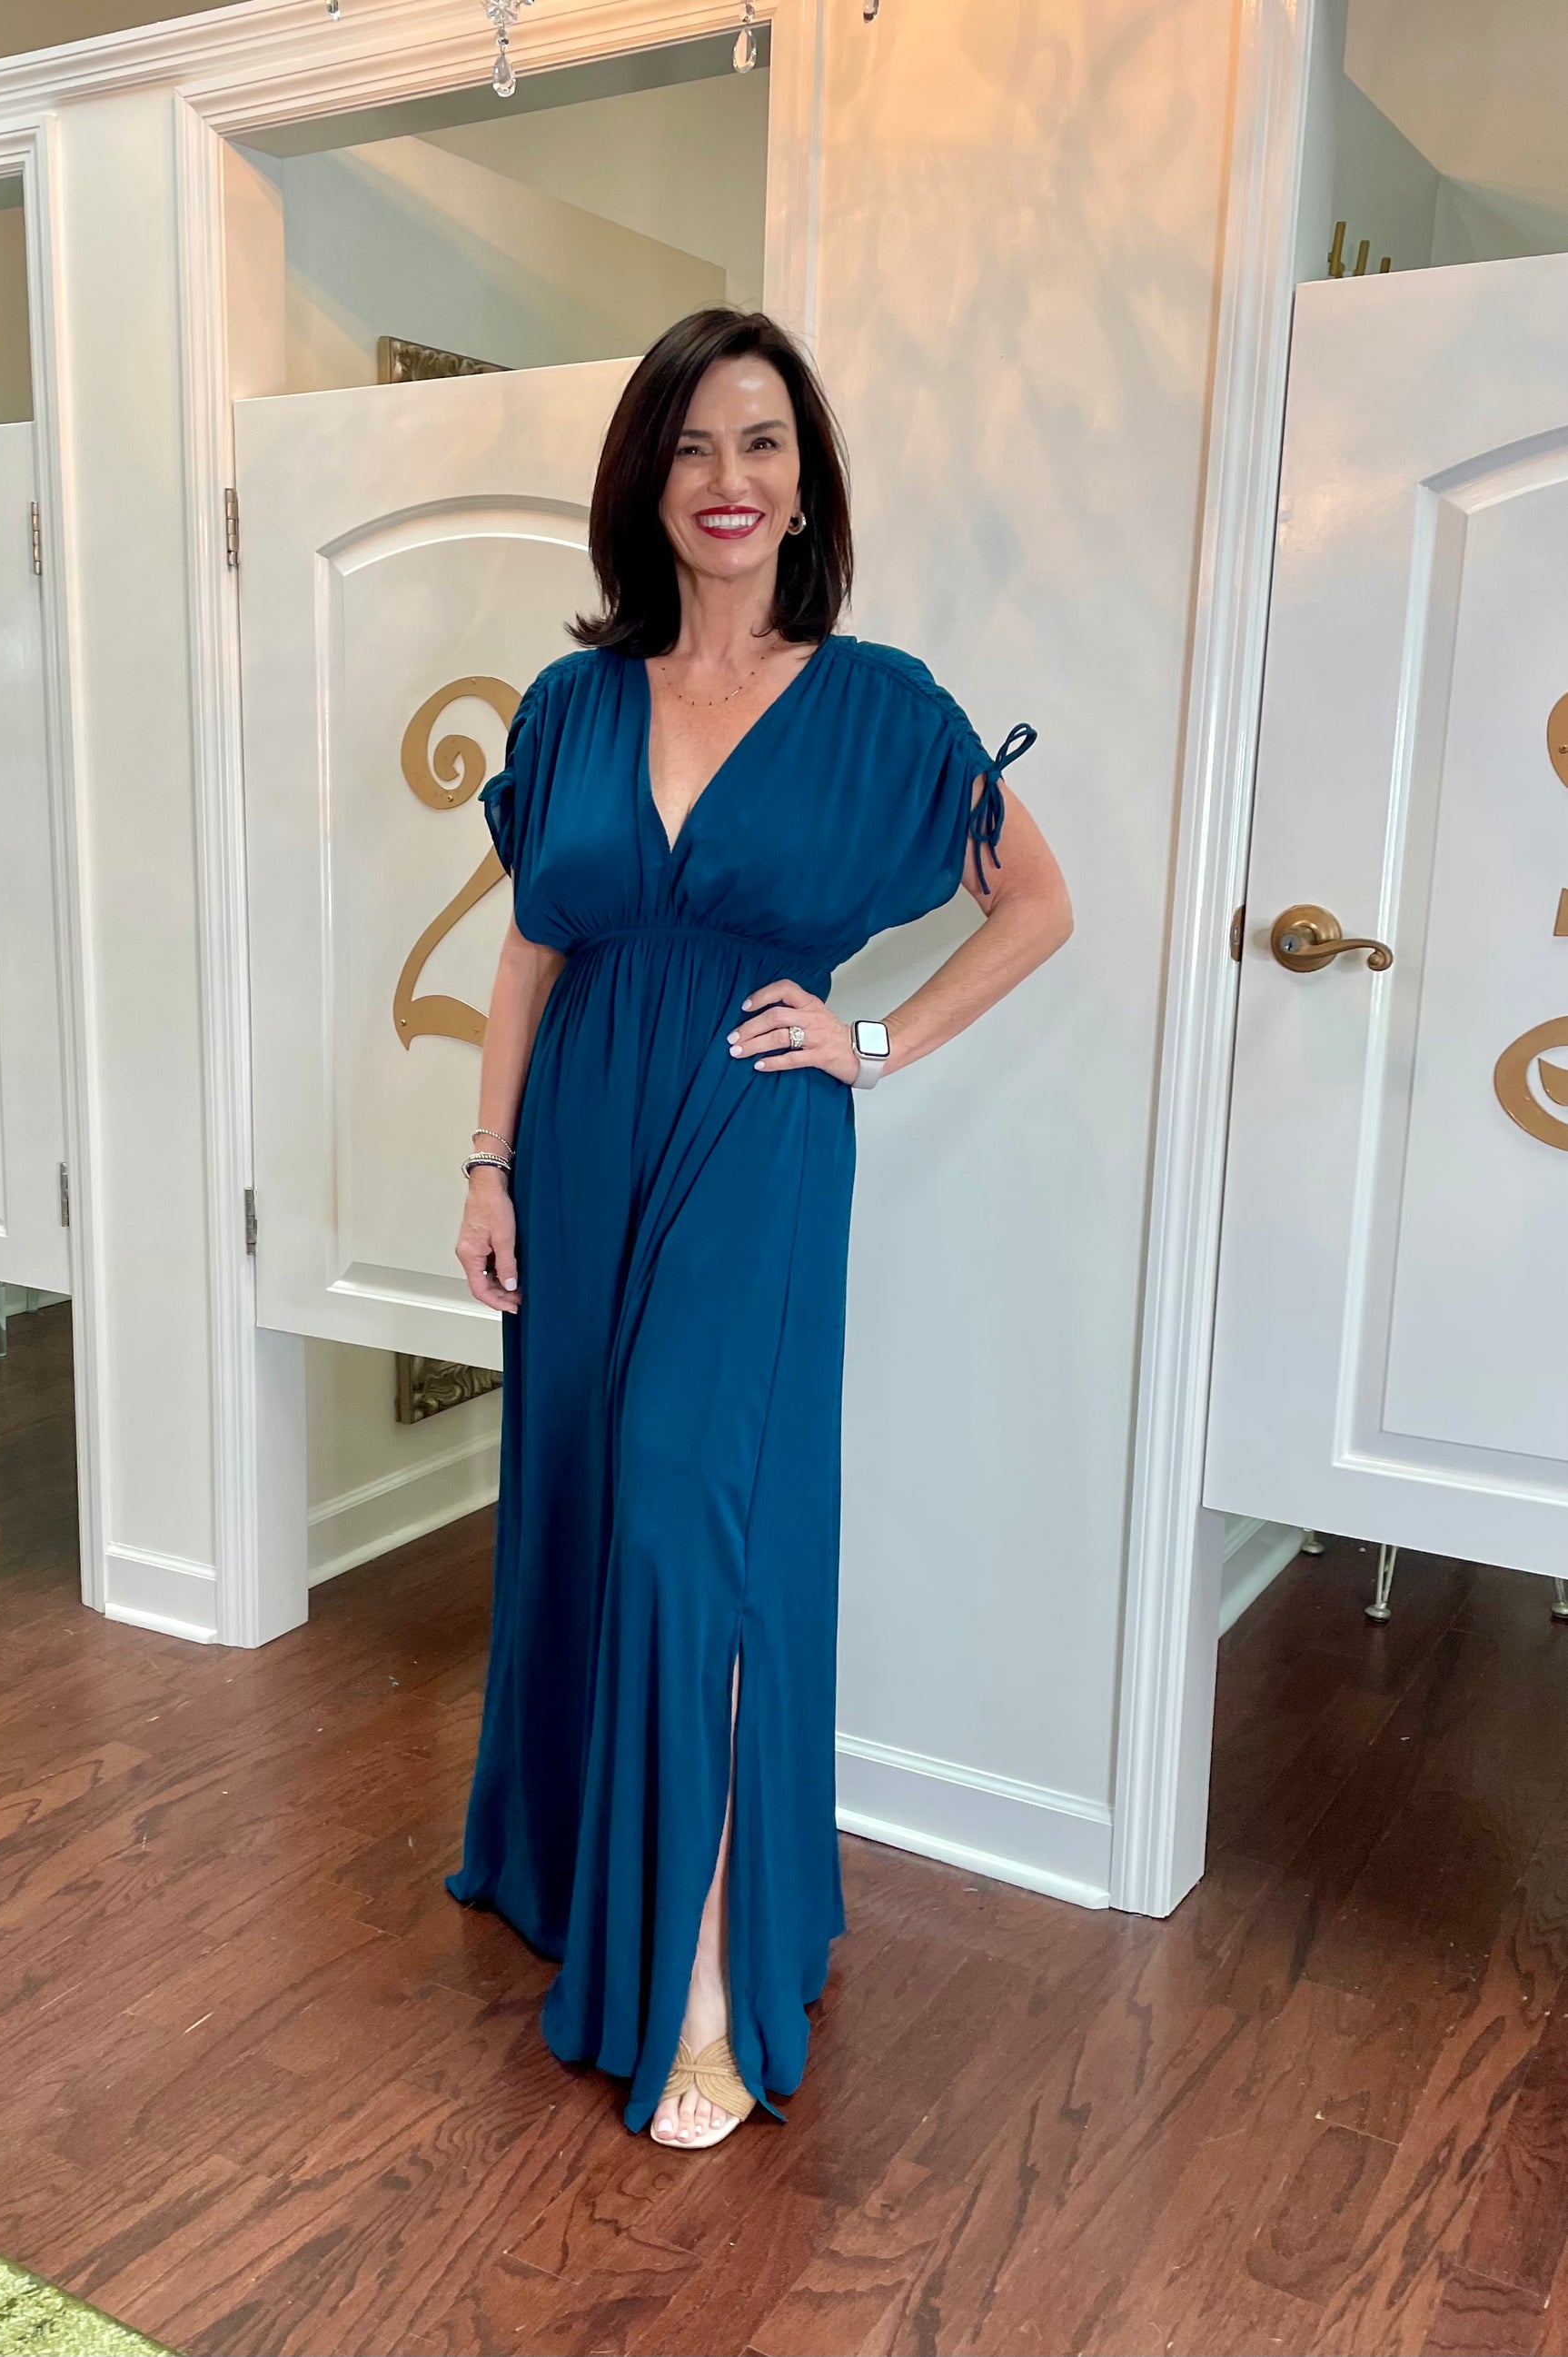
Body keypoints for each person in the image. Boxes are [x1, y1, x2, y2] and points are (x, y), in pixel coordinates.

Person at [446, 307, 1072, 2152]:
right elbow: (529, 949)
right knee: (588, 1499)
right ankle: (593, 1867)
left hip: (753, 1137)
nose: (728, 479)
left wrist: (871, 1040)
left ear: (806, 488)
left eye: (764, 443)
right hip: (577, 1147)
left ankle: (710, 1975)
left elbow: (1037, 903)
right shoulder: (571, 704)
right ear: (647, 479)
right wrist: (484, 1163)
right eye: (693, 444)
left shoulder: (880, 707)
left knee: (687, 1523)